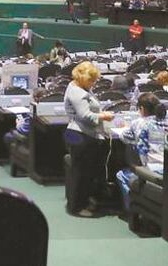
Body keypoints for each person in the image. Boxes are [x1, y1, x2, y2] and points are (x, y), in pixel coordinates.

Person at [64, 61, 115, 217]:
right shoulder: (77, 92)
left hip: (87, 135)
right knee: (81, 174)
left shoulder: (81, 87)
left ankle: (86, 201)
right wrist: (104, 116)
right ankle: (77, 208)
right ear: (83, 78)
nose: (94, 83)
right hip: (80, 135)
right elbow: (85, 116)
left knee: (87, 173)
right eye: (92, 80)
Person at [116, 93, 168, 210]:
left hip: (152, 171)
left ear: (142, 109)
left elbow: (124, 138)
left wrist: (126, 128)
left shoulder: (138, 123)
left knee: (121, 174)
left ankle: (132, 209)